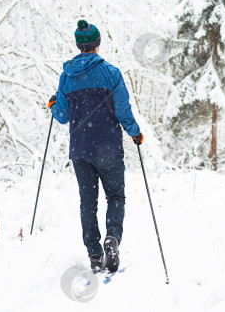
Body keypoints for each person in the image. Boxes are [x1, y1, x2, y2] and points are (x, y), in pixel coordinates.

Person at [47, 20, 143, 274]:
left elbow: (63, 115)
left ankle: (94, 253)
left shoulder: (67, 76)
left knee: (87, 202)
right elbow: (123, 111)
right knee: (115, 197)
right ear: (97, 44)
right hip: (109, 148)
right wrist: (136, 134)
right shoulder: (111, 73)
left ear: (79, 45)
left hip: (81, 151)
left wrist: (53, 105)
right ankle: (113, 237)